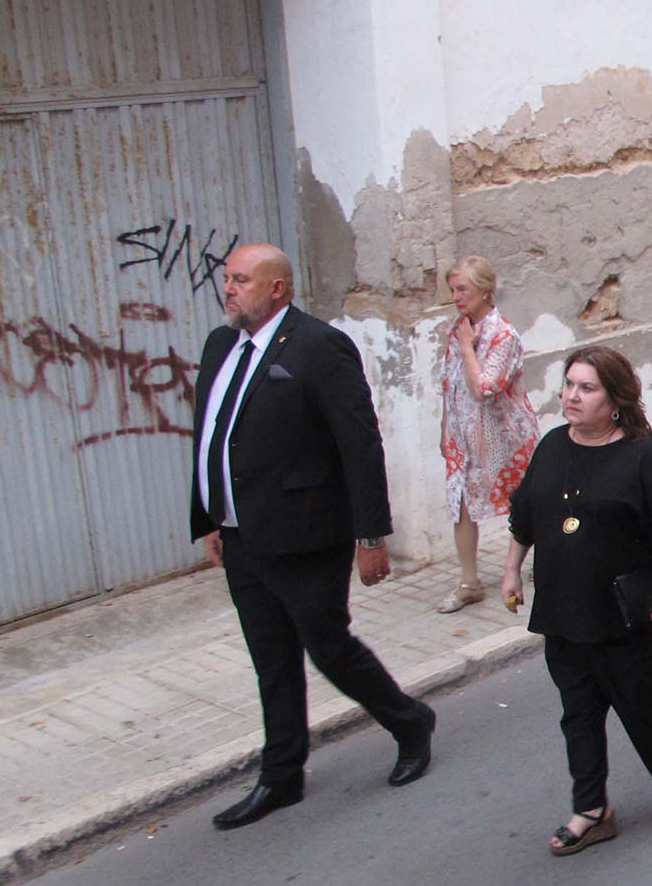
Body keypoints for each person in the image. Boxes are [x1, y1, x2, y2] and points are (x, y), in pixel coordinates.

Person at [189, 245, 436, 831]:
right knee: (270, 658)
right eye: (227, 278)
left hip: (305, 532)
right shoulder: (220, 345)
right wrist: (208, 516)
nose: (229, 288)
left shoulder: (318, 345)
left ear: (277, 289)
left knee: (327, 646)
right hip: (240, 534)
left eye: (241, 279)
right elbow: (209, 434)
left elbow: (359, 442)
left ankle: (408, 721)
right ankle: (281, 776)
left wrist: (371, 534)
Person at [504, 346, 652, 855]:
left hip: (624, 612)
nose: (572, 395)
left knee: (647, 703)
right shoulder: (551, 446)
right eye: (569, 384)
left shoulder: (644, 457)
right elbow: (526, 516)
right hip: (563, 609)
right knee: (578, 713)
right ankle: (592, 810)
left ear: (616, 400)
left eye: (587, 387)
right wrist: (510, 570)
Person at [436, 256, 539, 613]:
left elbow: (485, 387)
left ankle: (546, 561)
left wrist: (468, 347)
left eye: (462, 289)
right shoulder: (458, 328)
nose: (456, 297)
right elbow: (449, 385)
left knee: (524, 502)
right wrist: (444, 430)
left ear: (485, 291)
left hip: (505, 438)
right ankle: (469, 583)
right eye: (452, 290)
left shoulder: (503, 334)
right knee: (461, 504)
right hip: (463, 437)